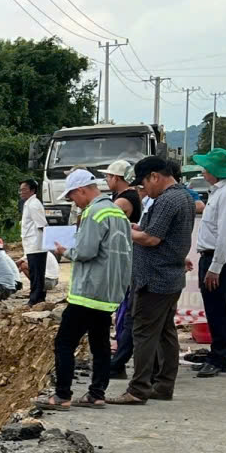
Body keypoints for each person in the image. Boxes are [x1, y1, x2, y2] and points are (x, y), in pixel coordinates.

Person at [37, 169, 131, 409]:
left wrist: (64, 251)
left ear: (82, 190)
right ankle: (97, 393)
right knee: (100, 344)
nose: (73, 203)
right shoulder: (116, 212)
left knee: (65, 342)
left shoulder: (94, 213)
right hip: (109, 291)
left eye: (72, 197)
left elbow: (86, 252)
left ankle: (62, 395)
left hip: (89, 291)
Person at [109, 156, 195, 405]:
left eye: (145, 183)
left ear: (155, 176)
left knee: (143, 332)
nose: (144, 189)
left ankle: (138, 389)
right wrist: (137, 227)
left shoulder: (167, 200)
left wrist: (122, 228)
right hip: (168, 276)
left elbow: (151, 239)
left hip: (155, 278)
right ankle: (163, 384)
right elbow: (154, 232)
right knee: (166, 332)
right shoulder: (184, 197)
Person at [193, 147, 226, 378]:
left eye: (206, 167)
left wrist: (215, 267)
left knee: (219, 310)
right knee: (212, 309)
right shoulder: (218, 192)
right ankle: (216, 355)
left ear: (214, 170)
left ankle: (219, 358)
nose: (203, 171)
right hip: (211, 256)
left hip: (218, 258)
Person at [103, 158, 141, 377]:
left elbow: (106, 224)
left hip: (128, 261)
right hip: (126, 259)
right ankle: (118, 361)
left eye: (108, 177)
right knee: (125, 312)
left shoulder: (124, 200)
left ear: (116, 178)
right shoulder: (122, 197)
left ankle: (118, 363)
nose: (106, 180)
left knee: (127, 312)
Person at [20, 179, 49, 305]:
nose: (21, 192)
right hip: (31, 244)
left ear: (32, 190)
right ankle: (38, 297)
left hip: (36, 244)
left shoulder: (34, 204)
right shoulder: (28, 203)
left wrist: (49, 241)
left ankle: (35, 298)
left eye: (24, 189)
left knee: (37, 273)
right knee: (35, 272)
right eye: (20, 190)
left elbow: (42, 224)